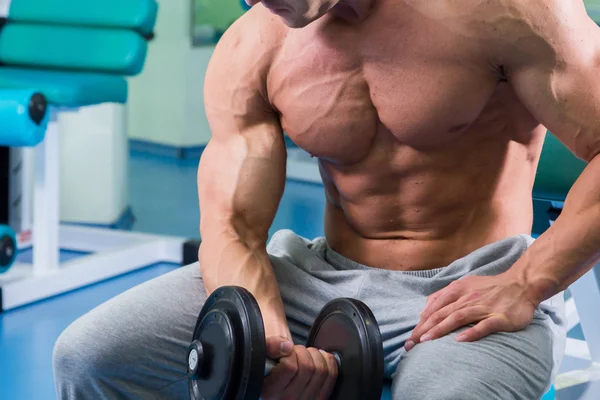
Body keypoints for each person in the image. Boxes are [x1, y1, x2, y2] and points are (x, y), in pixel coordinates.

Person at [52, 0, 600, 398]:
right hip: (317, 281)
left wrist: (527, 281)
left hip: (471, 286)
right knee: (91, 356)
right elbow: (233, 227)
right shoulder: (254, 46)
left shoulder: (505, 10)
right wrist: (260, 336)